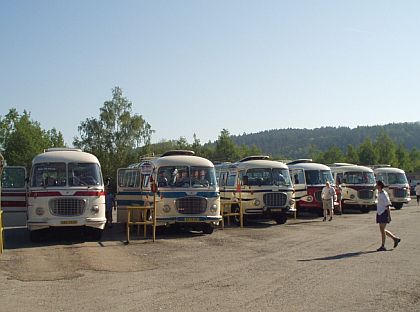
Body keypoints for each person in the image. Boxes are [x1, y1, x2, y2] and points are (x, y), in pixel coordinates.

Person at [376, 180, 401, 251]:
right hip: (380, 212)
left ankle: (383, 245)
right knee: (382, 230)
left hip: (384, 213)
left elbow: (387, 205)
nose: (375, 186)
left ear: (379, 186)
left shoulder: (384, 194)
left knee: (382, 229)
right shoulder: (380, 193)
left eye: (376, 184)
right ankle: (395, 239)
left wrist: (389, 216)